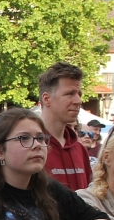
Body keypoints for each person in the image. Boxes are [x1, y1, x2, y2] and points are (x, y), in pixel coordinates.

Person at [37, 62, 92, 191]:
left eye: (79, 94)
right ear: (46, 99)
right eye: (70, 94)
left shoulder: (80, 150)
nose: (78, 101)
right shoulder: (29, 147)